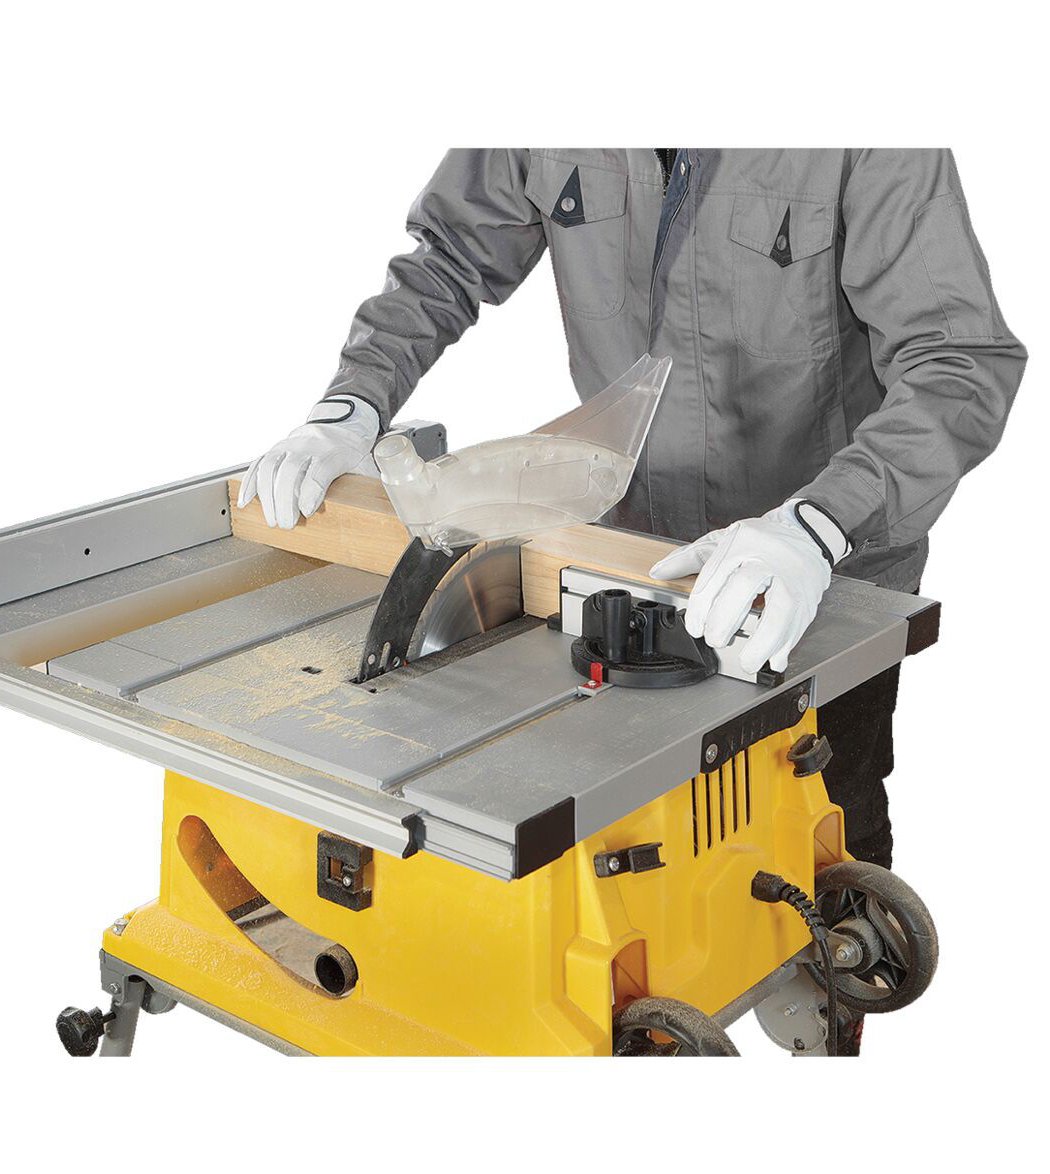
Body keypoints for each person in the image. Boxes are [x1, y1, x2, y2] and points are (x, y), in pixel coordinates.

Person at [239, 148, 1025, 875]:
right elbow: (450, 256)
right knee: (641, 862)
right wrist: (352, 403)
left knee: (825, 843)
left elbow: (958, 360)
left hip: (816, 581)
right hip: (630, 568)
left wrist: (819, 523)